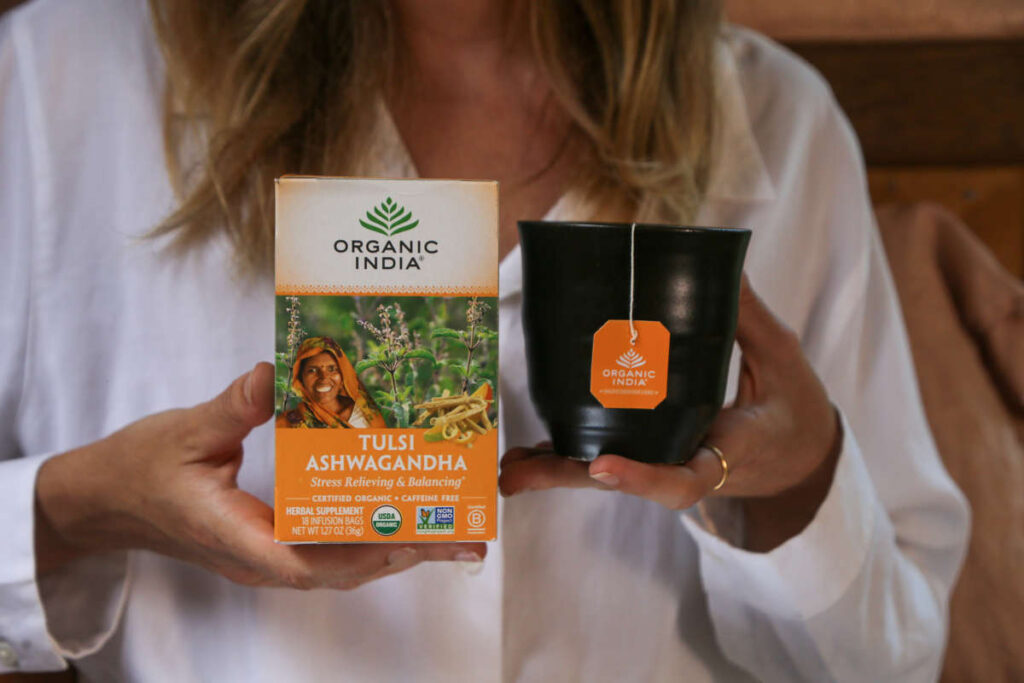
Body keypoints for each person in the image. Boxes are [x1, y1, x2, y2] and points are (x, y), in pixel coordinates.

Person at [0, 0, 968, 681]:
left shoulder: (780, 123)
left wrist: (801, 485)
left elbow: (895, 661)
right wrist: (80, 507)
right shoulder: (55, 85)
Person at [277, 336, 386, 429]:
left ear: (344, 375)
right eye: (312, 370)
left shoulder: (365, 412)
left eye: (332, 369)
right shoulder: (288, 423)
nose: (323, 377)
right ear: (300, 379)